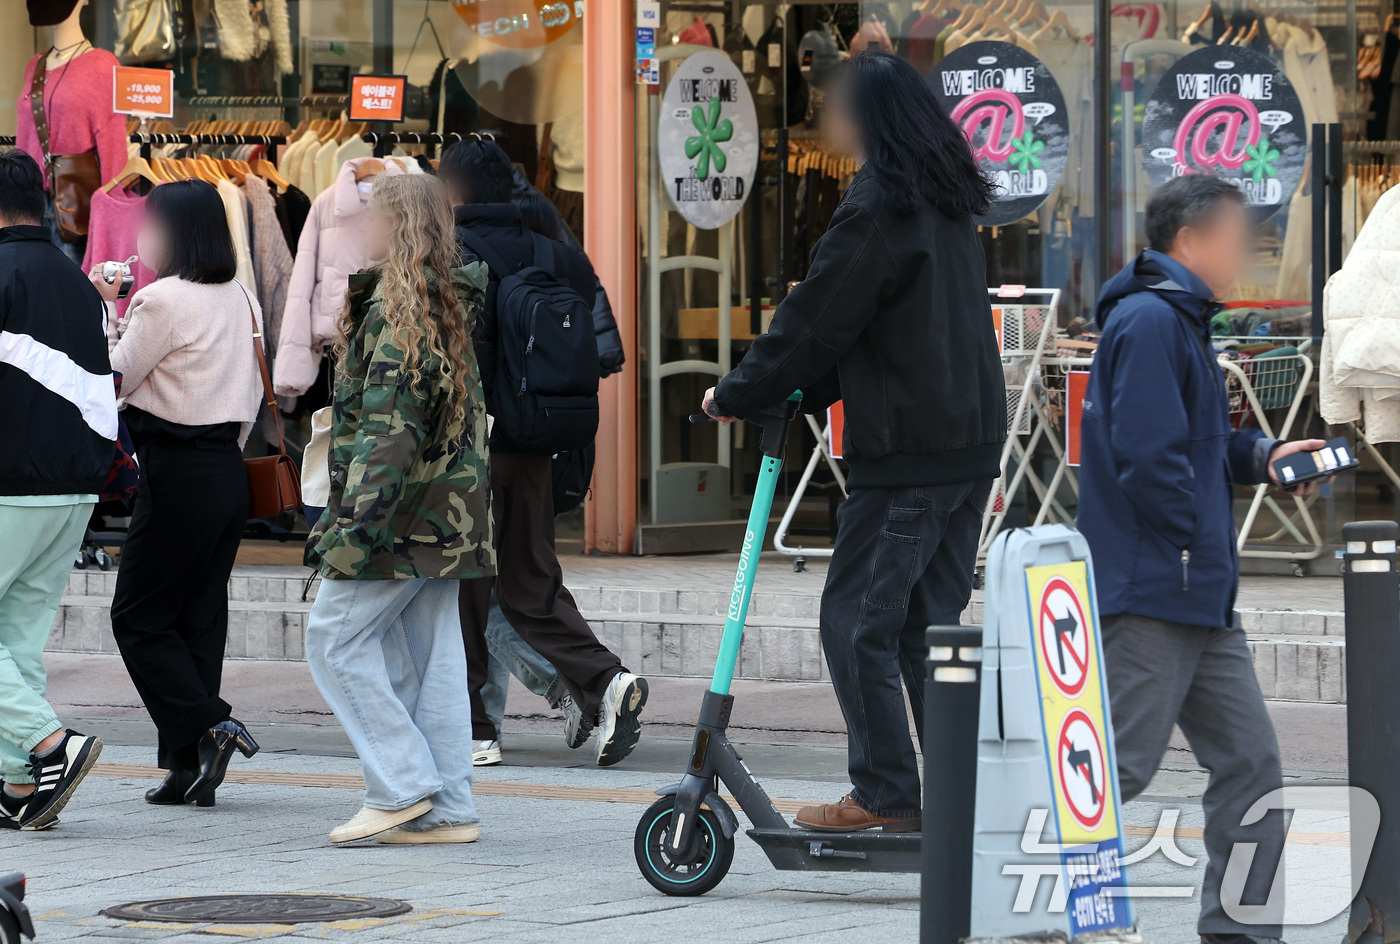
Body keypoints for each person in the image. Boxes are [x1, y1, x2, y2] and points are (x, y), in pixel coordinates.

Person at [703, 52, 1005, 833]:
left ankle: (883, 797)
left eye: (837, 107)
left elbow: (820, 316)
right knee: (922, 628)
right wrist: (804, 389)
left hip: (909, 456)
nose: (828, 121)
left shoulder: (880, 204)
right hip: (964, 450)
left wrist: (741, 391)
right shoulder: (946, 199)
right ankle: (963, 794)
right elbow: (890, 329)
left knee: (856, 622)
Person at [1078, 174, 1322, 944]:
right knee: (1117, 773)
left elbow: (1192, 442)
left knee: (1250, 764)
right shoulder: (1151, 320)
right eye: (1236, 233)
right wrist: (1188, 540)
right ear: (1193, 238)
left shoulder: (1180, 320)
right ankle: (1041, 908)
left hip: (1197, 591)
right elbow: (1149, 460)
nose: (1245, 248)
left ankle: (1241, 931)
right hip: (1157, 584)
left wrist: (1266, 454)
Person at [439, 138, 649, 769]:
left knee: (462, 588)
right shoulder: (558, 254)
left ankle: (476, 730)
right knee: (531, 580)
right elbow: (600, 343)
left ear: (451, 192)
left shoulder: (447, 255)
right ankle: (605, 682)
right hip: (536, 445)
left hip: (468, 448)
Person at [303, 173, 494, 845]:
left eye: (367, 218)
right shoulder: (446, 296)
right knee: (429, 659)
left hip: (397, 520)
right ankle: (448, 809)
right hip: (443, 517)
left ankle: (403, 785)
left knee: (332, 637)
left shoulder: (395, 306)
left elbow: (389, 432)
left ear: (396, 227)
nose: (356, 229)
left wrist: (352, 528)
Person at [98, 179, 264, 808]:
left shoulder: (162, 299)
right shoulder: (240, 297)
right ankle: (188, 767)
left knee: (137, 617)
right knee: (198, 619)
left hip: (176, 470)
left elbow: (114, 377)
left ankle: (211, 723)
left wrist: (105, 310)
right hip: (227, 467)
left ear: (174, 232)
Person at [0, 150, 109, 830]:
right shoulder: (75, 282)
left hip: (7, 481)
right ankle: (19, 784)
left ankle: (48, 744)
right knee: (18, 639)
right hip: (73, 487)